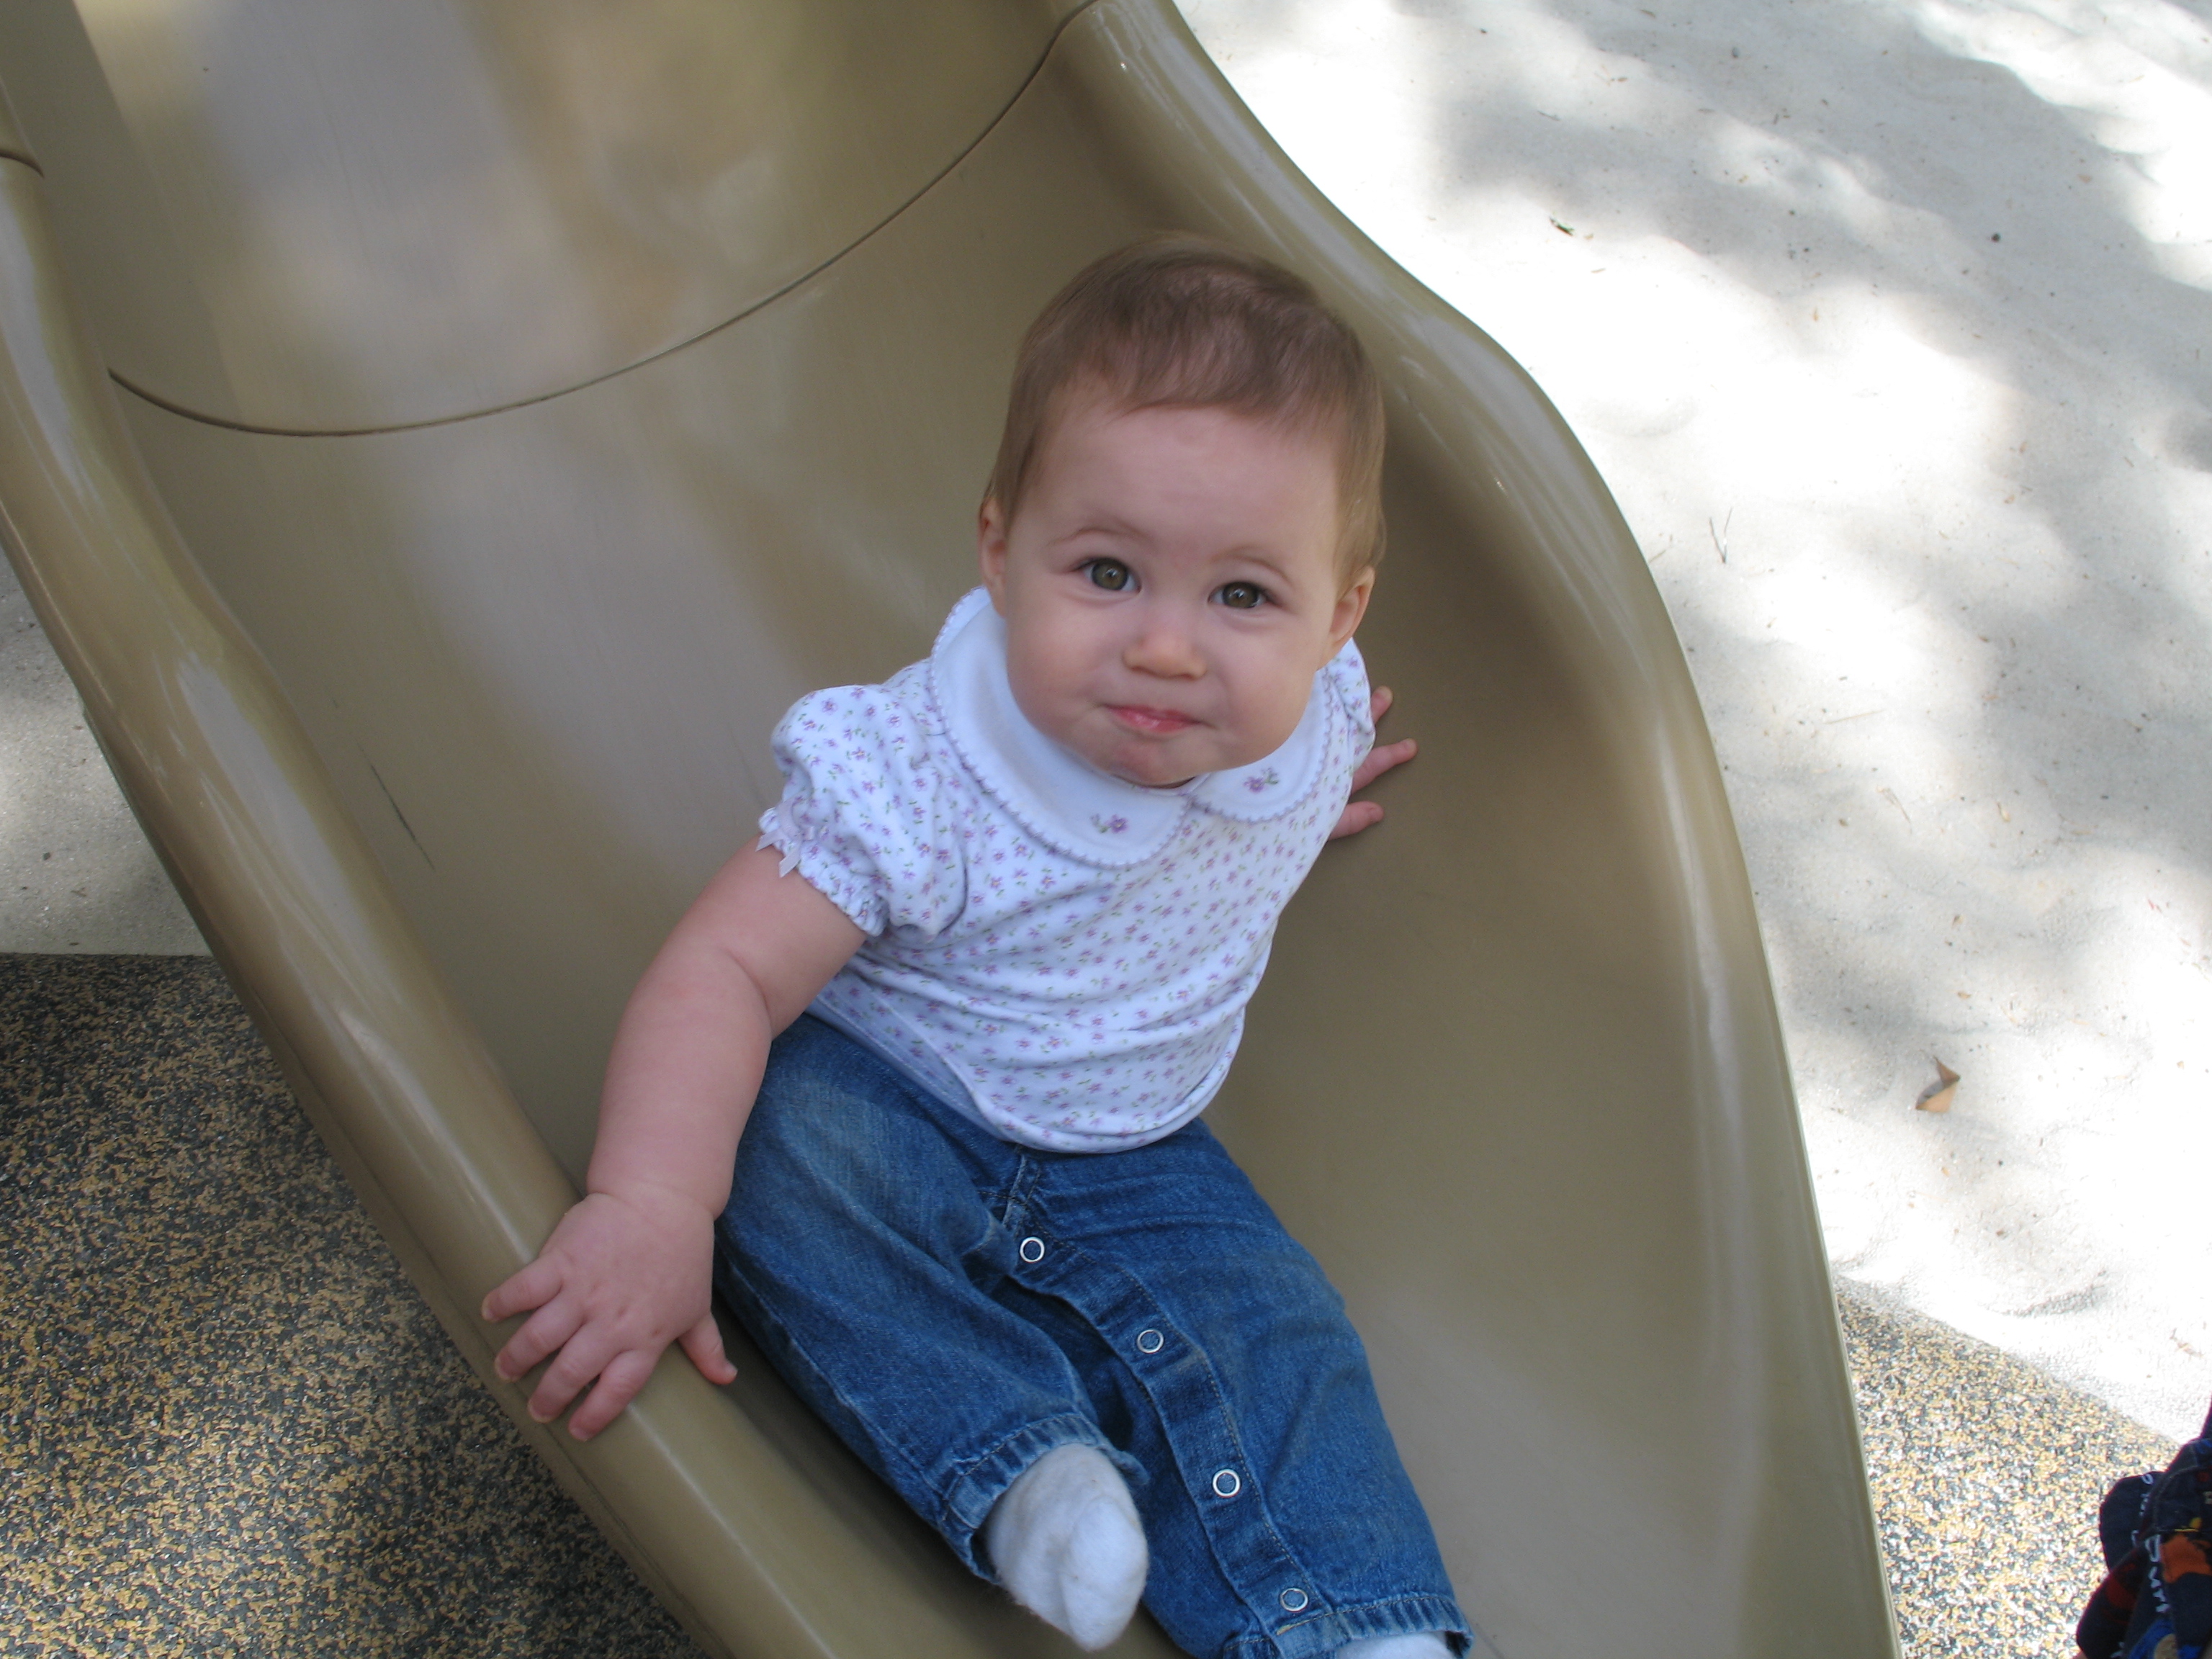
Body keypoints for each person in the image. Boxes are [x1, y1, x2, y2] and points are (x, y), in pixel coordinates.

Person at [480, 236, 1470, 1659]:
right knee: (767, 1165)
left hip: (1140, 1148)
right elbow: (725, 971)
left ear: (1339, 616)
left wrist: (1303, 803)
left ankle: (1355, 1632)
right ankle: (1027, 1472)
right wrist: (650, 1204)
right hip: (887, 1099)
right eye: (1109, 571)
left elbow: (1267, 763)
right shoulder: (921, 772)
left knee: (1277, 1335)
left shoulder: (1305, 725)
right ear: (1001, 552)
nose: (1171, 648)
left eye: (1245, 597)